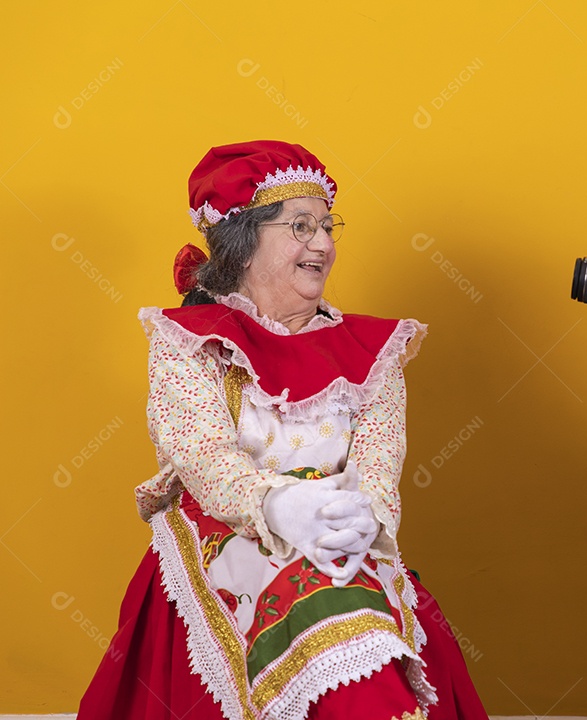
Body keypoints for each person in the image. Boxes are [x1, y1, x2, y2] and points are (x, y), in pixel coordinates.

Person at [79, 141, 488, 720]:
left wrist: (364, 519)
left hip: (343, 552)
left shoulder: (373, 352)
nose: (322, 244)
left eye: (327, 226)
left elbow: (378, 463)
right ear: (245, 243)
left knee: (363, 639)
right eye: (301, 226)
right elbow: (201, 454)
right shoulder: (189, 342)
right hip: (228, 539)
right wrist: (276, 507)